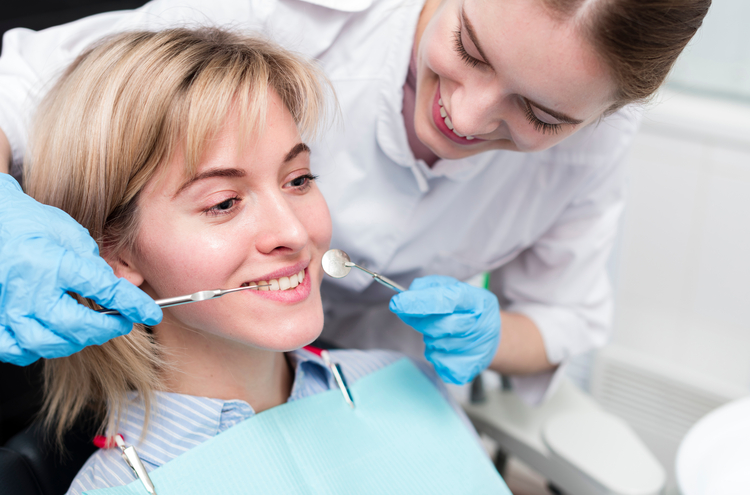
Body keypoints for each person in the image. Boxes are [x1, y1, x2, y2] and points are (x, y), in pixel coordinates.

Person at [0, 0, 711, 404]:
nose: (463, 121)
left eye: (542, 114)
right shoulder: (276, 9)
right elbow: (17, 92)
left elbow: (564, 317)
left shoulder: (598, 145)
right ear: (117, 250)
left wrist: (496, 336)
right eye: (469, 48)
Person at [24, 27, 478, 494]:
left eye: (298, 180)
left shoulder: (405, 384)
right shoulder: (113, 487)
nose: (295, 233)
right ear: (112, 254)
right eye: (223, 203)